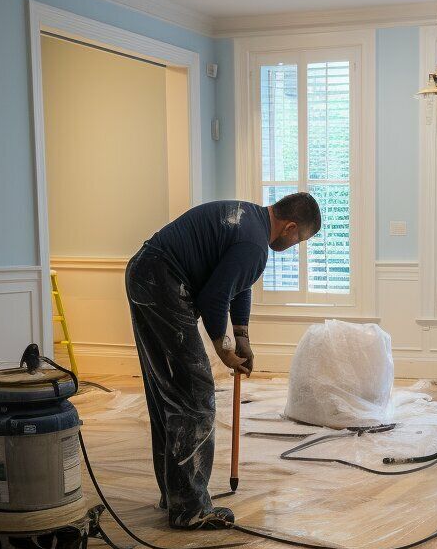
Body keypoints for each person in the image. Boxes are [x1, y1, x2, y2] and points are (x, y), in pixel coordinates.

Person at [125, 193, 319, 529]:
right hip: (162, 281)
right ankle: (189, 508)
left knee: (168, 392)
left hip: (147, 273)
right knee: (194, 393)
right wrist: (223, 347)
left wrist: (242, 334)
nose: (295, 244)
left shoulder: (251, 224)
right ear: (290, 227)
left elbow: (238, 285)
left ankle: (175, 494)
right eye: (299, 238)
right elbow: (214, 297)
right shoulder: (256, 244)